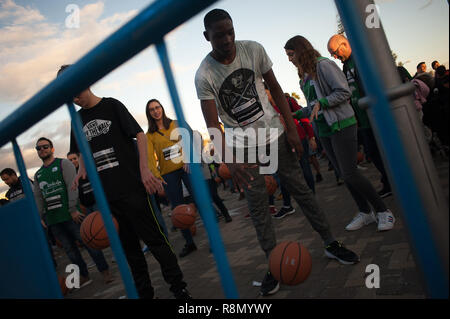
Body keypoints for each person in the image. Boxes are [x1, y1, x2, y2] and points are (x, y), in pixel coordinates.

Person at [195, 9, 358, 297]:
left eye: (230, 31)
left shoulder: (253, 50)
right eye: (219, 35)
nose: (228, 39)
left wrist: (293, 130)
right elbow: (212, 124)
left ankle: (330, 242)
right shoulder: (205, 74)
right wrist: (229, 162)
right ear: (207, 37)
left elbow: (276, 89)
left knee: (302, 191)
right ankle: (273, 264)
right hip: (243, 147)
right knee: (258, 209)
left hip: (275, 135)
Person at [59, 65, 191, 299]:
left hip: (133, 189)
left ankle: (179, 290)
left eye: (74, 89)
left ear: (85, 81)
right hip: (109, 199)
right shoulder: (76, 121)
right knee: (132, 254)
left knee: (157, 242)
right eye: (67, 93)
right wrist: (81, 169)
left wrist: (144, 171)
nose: (74, 97)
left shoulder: (111, 105)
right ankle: (146, 295)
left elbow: (139, 135)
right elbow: (81, 153)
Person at [285, 35, 395, 233]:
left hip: (342, 125)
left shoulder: (323, 65)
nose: (289, 59)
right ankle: (365, 212)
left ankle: (383, 211)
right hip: (324, 130)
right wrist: (295, 113)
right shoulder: (305, 75)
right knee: (345, 175)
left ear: (301, 51)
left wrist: (324, 103)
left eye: (291, 54)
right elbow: (313, 105)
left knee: (350, 172)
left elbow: (343, 92)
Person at [33, 137, 112, 286]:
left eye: (45, 146)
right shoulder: (38, 174)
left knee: (90, 242)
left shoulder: (64, 164)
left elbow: (72, 186)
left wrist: (72, 208)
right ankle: (83, 275)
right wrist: (40, 216)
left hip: (71, 215)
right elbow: (38, 197)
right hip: (54, 219)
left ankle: (104, 271)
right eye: (39, 148)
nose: (42, 150)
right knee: (70, 251)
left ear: (52, 148)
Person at [327, 34, 392, 198]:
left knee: (386, 151)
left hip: (376, 115)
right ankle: (388, 181)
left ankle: (394, 180)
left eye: (334, 52)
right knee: (373, 153)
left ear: (344, 45)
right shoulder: (345, 66)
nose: (335, 56)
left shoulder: (362, 57)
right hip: (362, 119)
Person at [145, 98, 203, 258]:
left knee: (199, 200)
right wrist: (156, 177)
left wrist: (189, 158)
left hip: (186, 167)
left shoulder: (176, 123)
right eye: (152, 109)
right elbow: (150, 157)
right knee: (177, 209)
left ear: (162, 108)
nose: (156, 111)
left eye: (157, 107)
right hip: (168, 174)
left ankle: (213, 238)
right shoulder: (149, 135)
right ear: (149, 113)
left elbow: (190, 136)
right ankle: (189, 243)